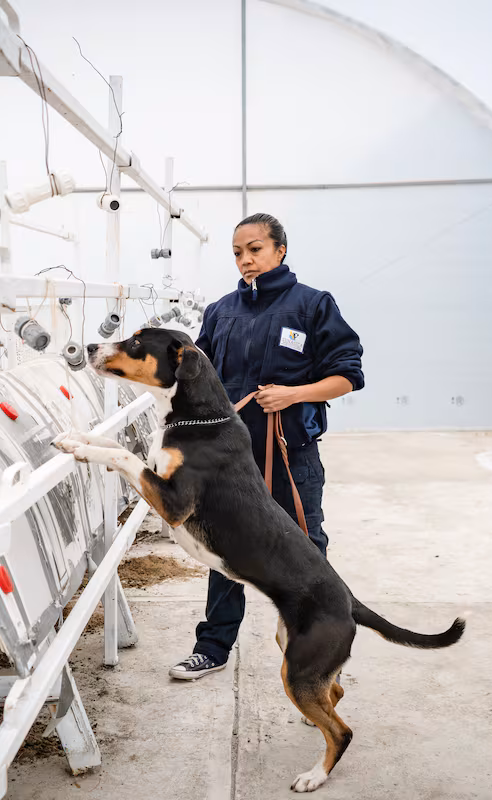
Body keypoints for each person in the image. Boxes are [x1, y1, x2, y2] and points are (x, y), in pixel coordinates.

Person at [169, 212, 365, 680]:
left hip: (290, 453)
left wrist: (294, 394)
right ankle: (213, 647)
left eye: (254, 249)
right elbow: (195, 378)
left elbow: (348, 376)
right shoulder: (221, 312)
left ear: (279, 250)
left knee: (307, 549)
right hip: (228, 462)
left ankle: (317, 656)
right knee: (223, 550)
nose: (245, 260)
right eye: (237, 252)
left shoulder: (313, 305)